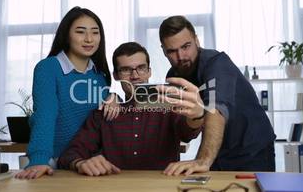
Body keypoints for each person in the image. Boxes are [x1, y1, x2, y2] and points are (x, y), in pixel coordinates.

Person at [58, 42, 204, 176]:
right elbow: (69, 155)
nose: (135, 76)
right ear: (116, 75)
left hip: (161, 191)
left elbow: (188, 133)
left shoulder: (169, 106)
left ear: (149, 72)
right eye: (126, 70)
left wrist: (197, 116)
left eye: (141, 68)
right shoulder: (104, 112)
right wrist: (82, 163)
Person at [158, 15, 276, 175]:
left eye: (186, 46)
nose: (181, 56)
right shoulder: (174, 76)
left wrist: (203, 160)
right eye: (172, 51)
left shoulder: (217, 63)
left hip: (252, 150)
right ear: (164, 51)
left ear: (196, 41)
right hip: (218, 152)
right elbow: (186, 126)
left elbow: (216, 110)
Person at [15, 7, 118, 179]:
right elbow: (45, 116)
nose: (89, 39)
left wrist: (115, 98)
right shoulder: (48, 68)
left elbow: (101, 116)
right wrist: (40, 159)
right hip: (56, 163)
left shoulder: (101, 76)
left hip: (91, 165)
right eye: (80, 32)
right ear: (66, 34)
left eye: (95, 32)